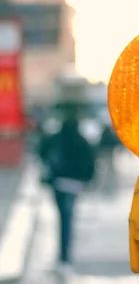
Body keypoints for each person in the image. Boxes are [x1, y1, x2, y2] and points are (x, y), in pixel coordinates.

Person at [38, 102, 96, 274]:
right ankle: (65, 257)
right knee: (68, 218)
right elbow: (91, 162)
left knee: (62, 218)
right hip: (74, 184)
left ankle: (62, 256)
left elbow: (42, 152)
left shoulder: (55, 138)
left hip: (59, 182)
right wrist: (87, 180)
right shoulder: (81, 140)